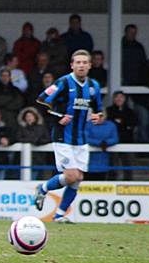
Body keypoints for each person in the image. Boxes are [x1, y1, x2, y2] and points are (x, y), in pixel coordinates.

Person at [35, 49, 104, 223]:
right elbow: (41, 99)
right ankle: (42, 188)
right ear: (72, 65)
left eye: (84, 62)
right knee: (71, 175)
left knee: (78, 179)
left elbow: (99, 110)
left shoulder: (93, 86)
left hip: (81, 138)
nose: (81, 65)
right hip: (62, 136)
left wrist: (98, 116)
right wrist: (59, 116)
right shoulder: (64, 82)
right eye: (77, 62)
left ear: (89, 65)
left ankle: (59, 215)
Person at [105, 91, 137, 180]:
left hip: (127, 141)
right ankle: (112, 183)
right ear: (113, 99)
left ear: (125, 99)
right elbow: (109, 124)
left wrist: (121, 122)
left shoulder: (130, 112)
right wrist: (124, 124)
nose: (119, 99)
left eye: (121, 97)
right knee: (112, 165)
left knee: (128, 164)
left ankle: (128, 183)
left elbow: (132, 124)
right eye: (117, 97)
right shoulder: (109, 110)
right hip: (113, 143)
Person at [15, 107, 51, 179]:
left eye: (31, 116)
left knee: (41, 178)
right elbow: (18, 138)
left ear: (35, 117)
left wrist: (38, 142)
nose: (29, 118)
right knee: (29, 177)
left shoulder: (42, 127)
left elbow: (48, 139)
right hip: (24, 158)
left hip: (40, 158)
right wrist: (32, 140)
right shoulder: (21, 128)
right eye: (27, 116)